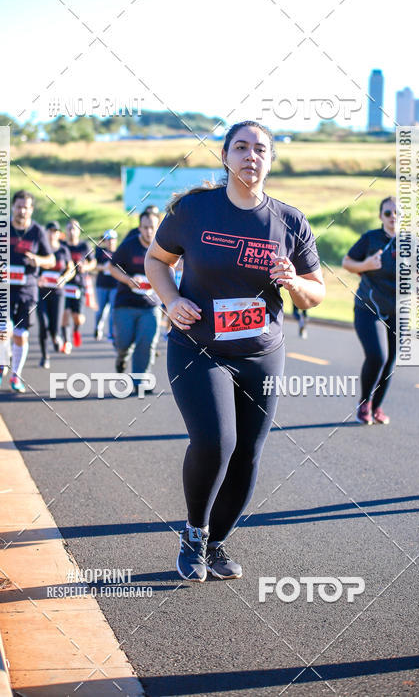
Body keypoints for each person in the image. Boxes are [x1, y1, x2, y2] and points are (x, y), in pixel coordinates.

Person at [144, 121, 325, 582]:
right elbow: (156, 261)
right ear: (225, 156)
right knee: (215, 442)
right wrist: (172, 300)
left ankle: (218, 542)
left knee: (247, 452)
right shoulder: (194, 210)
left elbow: (315, 294)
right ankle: (193, 534)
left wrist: (294, 281)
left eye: (260, 149)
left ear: (270, 159)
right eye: (240, 147)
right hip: (198, 347)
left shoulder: (290, 221)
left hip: (261, 353)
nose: (250, 156)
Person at [341, 196, 399, 425]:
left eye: (397, 213)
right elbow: (347, 262)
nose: (393, 217)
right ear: (380, 216)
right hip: (368, 307)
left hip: (397, 311)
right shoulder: (371, 239)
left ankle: (376, 407)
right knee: (378, 355)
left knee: (391, 360)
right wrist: (366, 265)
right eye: (388, 213)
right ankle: (364, 404)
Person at [0, 190, 55, 393]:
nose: (22, 210)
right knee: (2, 330)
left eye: (26, 207)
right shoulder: (0, 227)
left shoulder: (37, 231)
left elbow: (51, 260)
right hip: (3, 289)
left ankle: (16, 376)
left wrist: (38, 260)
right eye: (18, 206)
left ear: (31, 209)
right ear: (12, 207)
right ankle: (0, 364)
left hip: (27, 290)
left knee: (20, 335)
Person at [108, 212, 162, 385]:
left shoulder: (164, 247)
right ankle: (121, 356)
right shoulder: (128, 246)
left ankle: (140, 381)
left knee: (146, 343)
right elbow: (112, 267)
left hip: (151, 306)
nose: (148, 231)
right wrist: (129, 280)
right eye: (145, 227)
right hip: (125, 304)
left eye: (152, 227)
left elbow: (175, 266)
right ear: (139, 228)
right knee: (124, 342)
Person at [37, 222, 73, 368]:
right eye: (50, 231)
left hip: (58, 293)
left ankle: (55, 336)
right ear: (45, 233)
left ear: (59, 234)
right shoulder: (40, 249)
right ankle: (45, 356)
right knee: (43, 324)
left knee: (54, 326)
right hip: (41, 292)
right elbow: (31, 266)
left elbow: (71, 269)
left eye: (55, 231)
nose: (52, 234)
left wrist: (64, 278)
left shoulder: (63, 250)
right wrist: (37, 278)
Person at [61, 219, 96, 353]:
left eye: (74, 228)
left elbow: (93, 263)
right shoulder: (62, 245)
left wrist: (86, 266)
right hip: (65, 283)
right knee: (65, 312)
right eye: (69, 228)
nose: (71, 231)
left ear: (79, 231)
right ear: (66, 230)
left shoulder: (84, 246)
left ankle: (76, 329)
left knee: (79, 318)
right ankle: (66, 342)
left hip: (79, 285)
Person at [93, 229, 118, 341]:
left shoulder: (119, 253)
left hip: (115, 286)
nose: (110, 242)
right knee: (101, 311)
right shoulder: (100, 251)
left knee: (113, 310)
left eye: (112, 239)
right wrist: (104, 267)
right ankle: (98, 327)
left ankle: (111, 333)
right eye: (107, 240)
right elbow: (94, 266)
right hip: (102, 285)